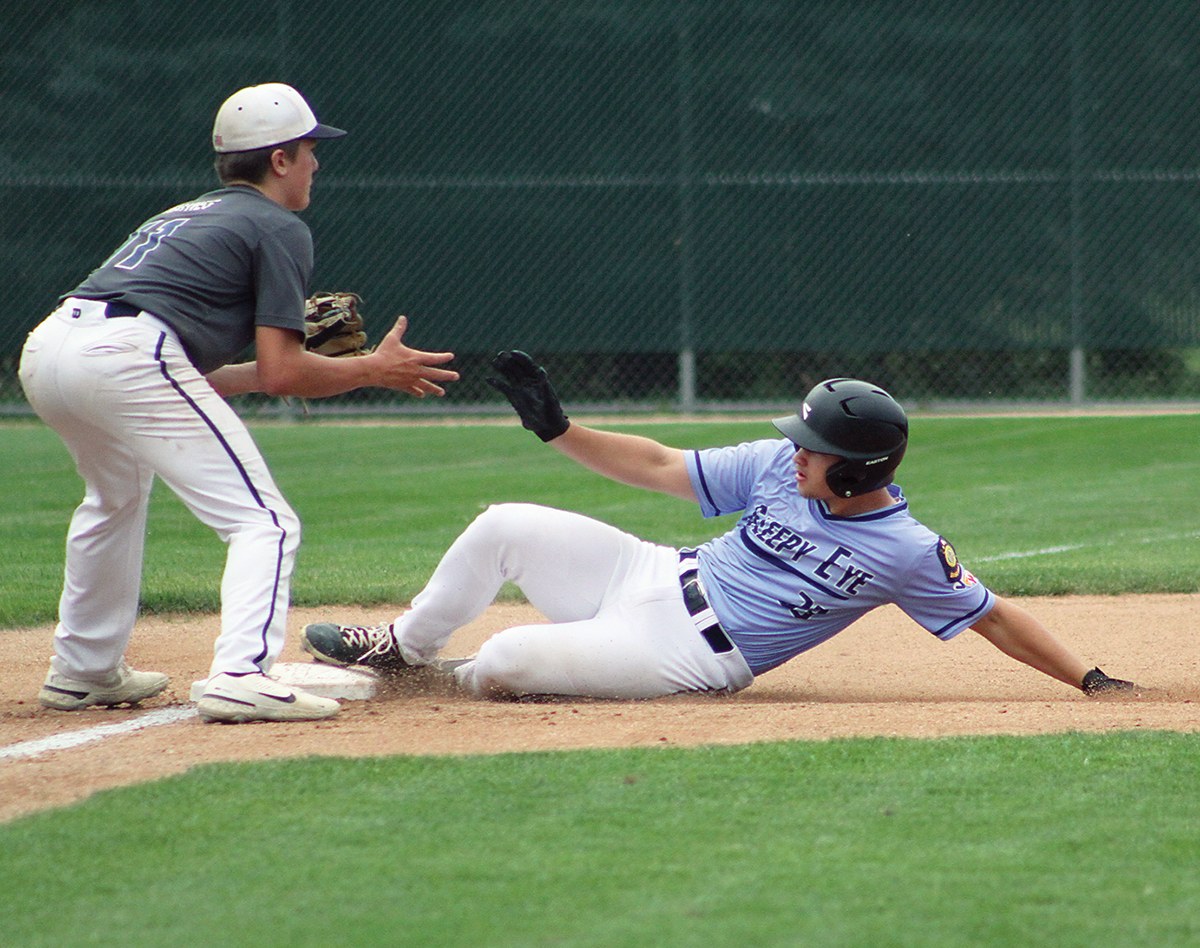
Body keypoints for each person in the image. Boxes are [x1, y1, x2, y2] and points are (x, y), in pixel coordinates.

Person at [302, 353, 1135, 701]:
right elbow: (665, 466)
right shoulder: (781, 469)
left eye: (813, 449)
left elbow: (993, 615)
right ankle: (405, 648)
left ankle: (452, 681)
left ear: (856, 471)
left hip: (691, 655)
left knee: (509, 659)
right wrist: (560, 430)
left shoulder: (909, 552)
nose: (795, 454)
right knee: (504, 524)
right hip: (649, 573)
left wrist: (1088, 678)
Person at [19, 83, 459, 723]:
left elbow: (197, 379)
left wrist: (347, 368)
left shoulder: (188, 214)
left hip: (53, 345)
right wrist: (373, 369)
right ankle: (240, 674)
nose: (317, 162)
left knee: (112, 498)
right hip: (126, 355)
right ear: (279, 160)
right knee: (265, 522)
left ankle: (82, 671)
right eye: (309, 150)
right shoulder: (277, 224)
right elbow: (282, 373)